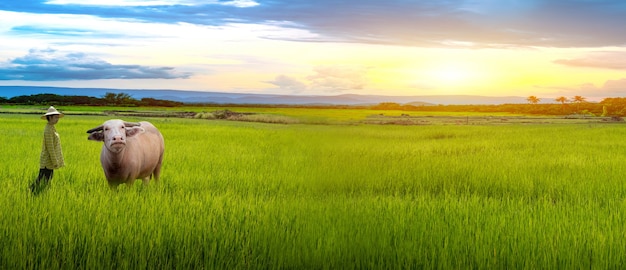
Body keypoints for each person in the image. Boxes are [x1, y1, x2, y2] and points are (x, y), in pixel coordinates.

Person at [29, 106, 65, 194]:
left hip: (49, 160)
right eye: (55, 117)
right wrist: (55, 161)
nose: (57, 119)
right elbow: (50, 148)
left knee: (46, 179)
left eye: (57, 117)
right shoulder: (48, 130)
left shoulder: (51, 127)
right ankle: (32, 192)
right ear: (50, 117)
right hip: (47, 160)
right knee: (42, 178)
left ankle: (36, 192)